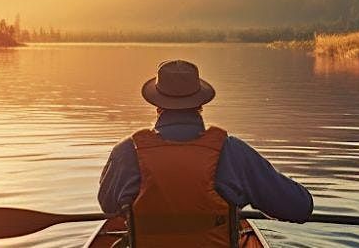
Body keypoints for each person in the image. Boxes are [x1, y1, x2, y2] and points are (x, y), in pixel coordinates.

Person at [98, 59, 313, 247]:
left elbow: (107, 205)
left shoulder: (126, 152)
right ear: (200, 103)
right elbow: (300, 207)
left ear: (157, 105)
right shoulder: (233, 152)